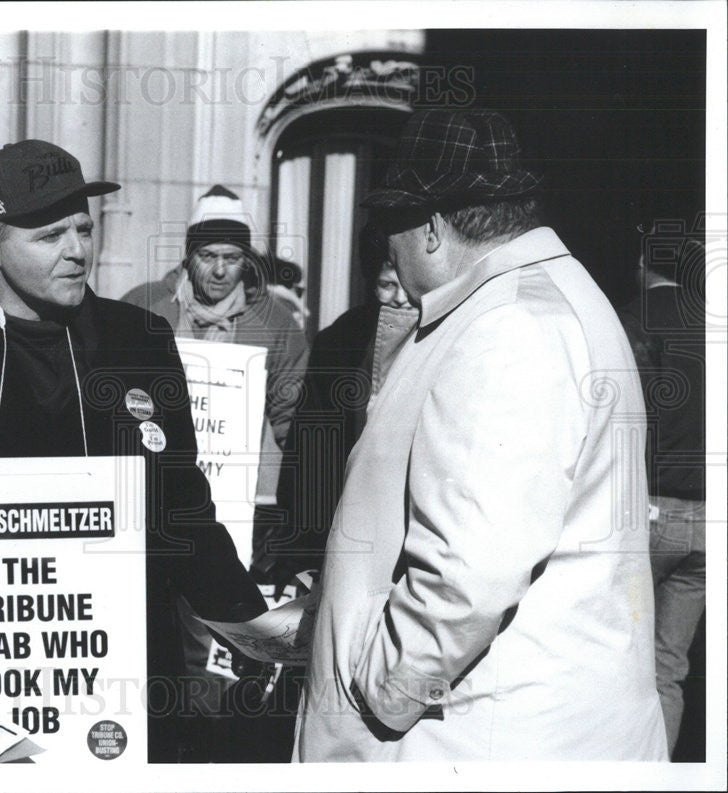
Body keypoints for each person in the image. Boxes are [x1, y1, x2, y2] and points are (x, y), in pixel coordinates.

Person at [0, 141, 268, 763]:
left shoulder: (136, 341)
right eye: (49, 235)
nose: (77, 250)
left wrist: (249, 623)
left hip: (118, 694)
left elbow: (182, 507)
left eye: (85, 229)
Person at [293, 109, 668, 761]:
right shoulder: (546, 300)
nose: (389, 249)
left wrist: (385, 688)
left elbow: (470, 576)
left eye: (393, 228)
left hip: (483, 741)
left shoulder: (509, 328)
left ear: (432, 228)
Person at [120, 186, 308, 731]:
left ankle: (205, 740)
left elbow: (292, 422)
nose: (221, 271)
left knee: (214, 641)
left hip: (237, 505)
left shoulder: (276, 326)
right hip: (151, 500)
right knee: (152, 626)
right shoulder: (144, 307)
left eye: (233, 259)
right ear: (188, 256)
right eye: (209, 257)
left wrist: (288, 506)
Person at [265, 221, 418, 588]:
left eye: (406, 285)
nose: (399, 298)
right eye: (386, 285)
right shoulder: (341, 341)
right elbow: (310, 451)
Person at [619, 220, 705, 756]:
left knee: (617, 656)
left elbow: (622, 422)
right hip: (708, 519)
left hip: (648, 511)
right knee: (668, 669)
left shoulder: (633, 321)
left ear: (642, 265)